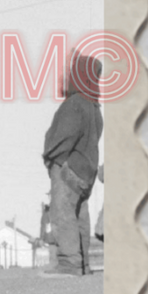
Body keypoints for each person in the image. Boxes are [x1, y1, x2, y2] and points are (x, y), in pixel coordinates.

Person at [42, 54, 104, 275]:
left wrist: (51, 157)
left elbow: (62, 137)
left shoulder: (73, 104)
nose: (65, 77)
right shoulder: (94, 107)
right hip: (86, 172)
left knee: (63, 213)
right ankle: (83, 264)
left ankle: (68, 264)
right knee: (80, 216)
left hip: (67, 168)